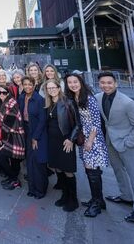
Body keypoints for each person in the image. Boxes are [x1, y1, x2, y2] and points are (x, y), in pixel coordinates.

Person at [95, 71, 134, 223]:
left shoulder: (127, 103)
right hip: (111, 142)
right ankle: (126, 196)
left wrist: (129, 142)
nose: (106, 85)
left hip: (127, 143)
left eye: (109, 82)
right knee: (117, 169)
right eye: (102, 83)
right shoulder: (98, 97)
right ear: (99, 84)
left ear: (116, 83)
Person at [65, 73, 108, 217]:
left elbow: (96, 122)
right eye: (70, 82)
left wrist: (90, 140)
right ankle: (98, 200)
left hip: (93, 138)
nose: (73, 84)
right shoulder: (74, 97)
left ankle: (96, 204)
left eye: (75, 82)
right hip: (84, 137)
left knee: (92, 170)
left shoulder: (89, 98)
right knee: (90, 169)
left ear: (81, 82)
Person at [45, 79, 81, 212]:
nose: (51, 90)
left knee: (67, 170)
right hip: (52, 141)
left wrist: (71, 139)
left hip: (65, 141)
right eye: (49, 88)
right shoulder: (49, 104)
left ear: (59, 88)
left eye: (53, 87)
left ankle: (73, 199)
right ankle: (65, 195)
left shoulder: (68, 102)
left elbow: (78, 124)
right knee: (58, 168)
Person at [18, 77, 48, 199]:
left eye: (30, 84)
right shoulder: (21, 97)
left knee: (38, 162)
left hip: (37, 133)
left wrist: (35, 137)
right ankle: (32, 188)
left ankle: (40, 190)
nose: (27, 87)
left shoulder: (39, 99)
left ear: (34, 85)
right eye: (25, 84)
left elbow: (42, 120)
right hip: (26, 130)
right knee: (29, 161)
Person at [0, 83, 25, 189]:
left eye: (4, 92)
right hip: (7, 134)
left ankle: (15, 180)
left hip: (16, 136)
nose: (1, 94)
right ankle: (12, 178)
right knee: (9, 158)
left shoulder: (12, 103)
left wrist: (1, 141)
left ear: (9, 93)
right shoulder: (0, 103)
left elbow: (8, 125)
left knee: (0, 155)